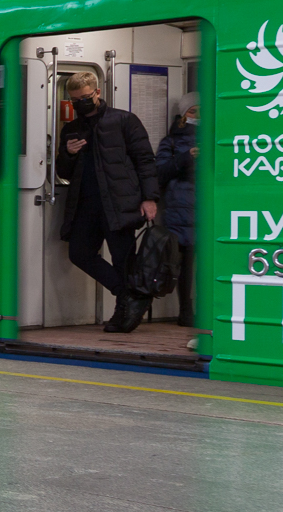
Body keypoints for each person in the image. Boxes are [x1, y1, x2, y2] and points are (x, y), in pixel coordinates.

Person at [55, 71, 159, 333]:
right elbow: (63, 172)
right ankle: (128, 294)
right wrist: (68, 153)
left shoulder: (124, 120)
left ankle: (123, 311)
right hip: (86, 204)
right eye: (75, 99)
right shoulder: (71, 129)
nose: (81, 103)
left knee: (123, 259)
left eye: (86, 97)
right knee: (79, 254)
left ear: (98, 92)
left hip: (120, 202)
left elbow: (145, 160)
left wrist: (150, 198)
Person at [156, 93, 199, 328]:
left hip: (205, 208)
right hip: (179, 209)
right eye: (193, 111)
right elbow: (160, 173)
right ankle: (186, 310)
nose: (198, 117)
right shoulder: (171, 142)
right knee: (185, 264)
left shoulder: (217, 138)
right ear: (183, 115)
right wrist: (186, 158)